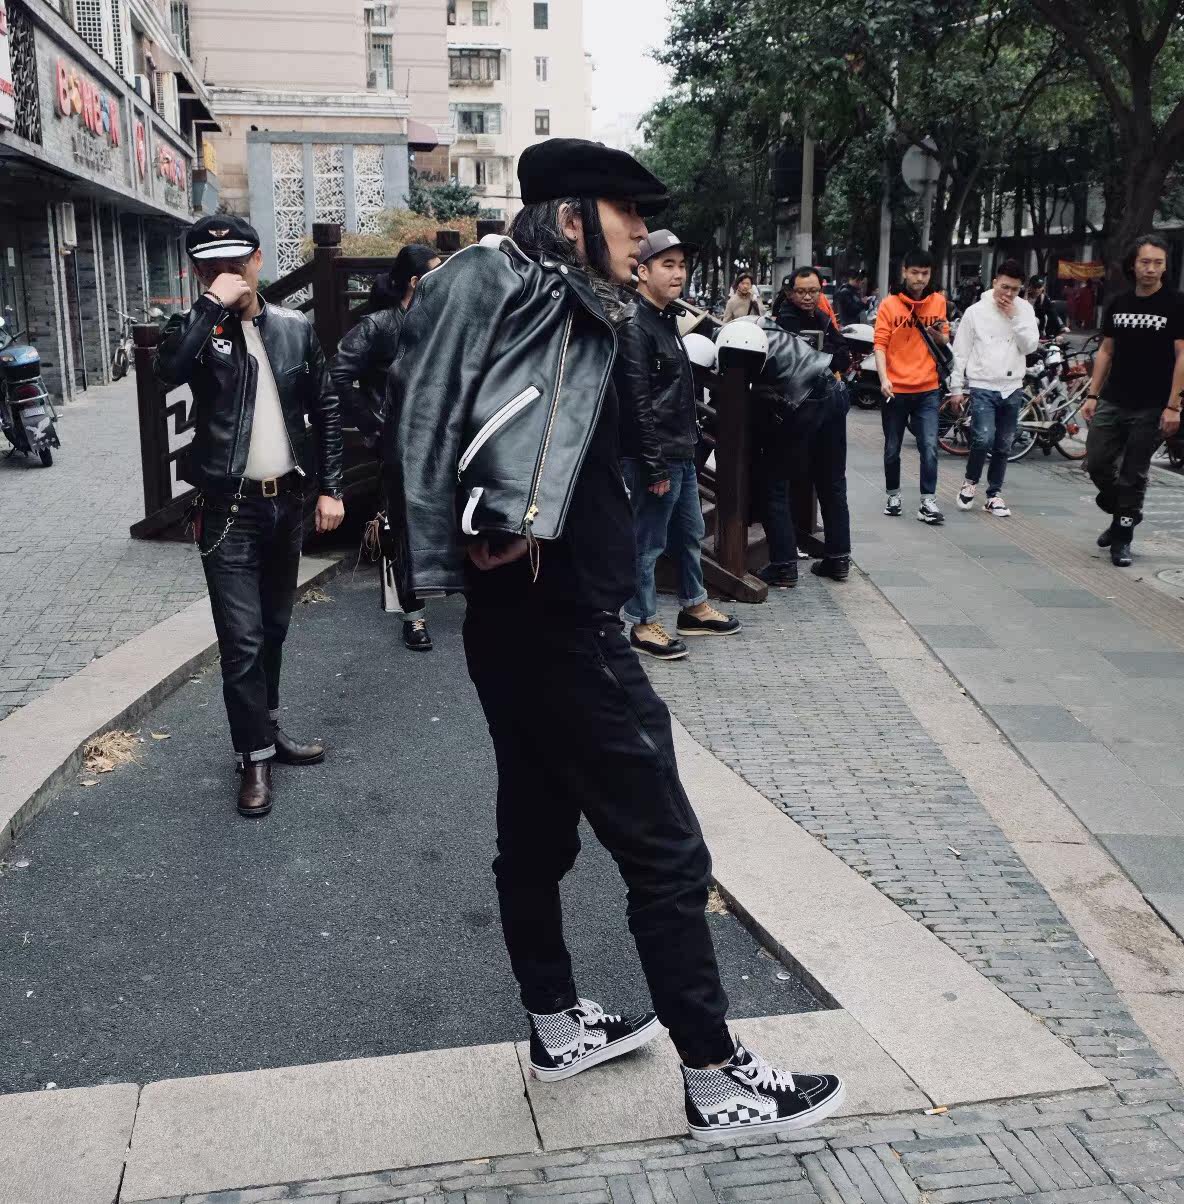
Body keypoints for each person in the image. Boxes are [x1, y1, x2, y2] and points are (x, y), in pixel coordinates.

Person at [386, 137, 845, 1142]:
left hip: (540, 617)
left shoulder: (583, 303)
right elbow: (421, 410)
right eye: (628, 217)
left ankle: (557, 1025)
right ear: (568, 218)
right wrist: (442, 554)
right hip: (558, 626)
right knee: (668, 854)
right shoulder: (491, 280)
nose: (643, 235)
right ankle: (717, 1078)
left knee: (538, 834)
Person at [154, 215, 344, 818]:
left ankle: (269, 730)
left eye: (235, 264)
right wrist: (211, 306)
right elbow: (168, 371)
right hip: (227, 511)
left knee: (275, 629)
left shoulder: (293, 327)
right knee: (242, 641)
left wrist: (331, 488)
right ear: (197, 275)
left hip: (286, 504)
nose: (227, 275)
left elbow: (327, 406)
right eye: (211, 269)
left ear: (258, 260)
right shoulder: (195, 331)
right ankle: (253, 758)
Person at [616, 228, 740, 660]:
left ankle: (694, 606)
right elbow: (636, 404)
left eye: (682, 265)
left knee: (689, 533)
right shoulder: (635, 325)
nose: (678, 273)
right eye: (667, 265)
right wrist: (652, 466)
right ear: (642, 271)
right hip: (654, 456)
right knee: (647, 542)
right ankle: (642, 621)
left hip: (680, 451)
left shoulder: (665, 318)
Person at [331, 244, 441, 651]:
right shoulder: (379, 325)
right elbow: (338, 373)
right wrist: (372, 422)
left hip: (442, 436)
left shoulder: (441, 320)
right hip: (397, 440)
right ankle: (413, 616)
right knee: (400, 525)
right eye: (434, 272)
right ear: (414, 281)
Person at [1083, 234, 1184, 567]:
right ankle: (1124, 513)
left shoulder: (1176, 304)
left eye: (1158, 263)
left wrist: (1174, 405)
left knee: (1133, 473)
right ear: (1133, 264)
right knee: (1097, 462)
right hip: (1114, 398)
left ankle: (1122, 537)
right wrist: (1093, 394)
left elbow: (1182, 356)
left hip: (1153, 404)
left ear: (1165, 267)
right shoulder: (1118, 303)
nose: (1151, 269)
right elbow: (1106, 351)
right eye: (1145, 262)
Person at [751, 319, 853, 587]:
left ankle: (783, 566)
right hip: (832, 388)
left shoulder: (736, 340)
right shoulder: (769, 327)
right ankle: (839, 559)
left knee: (773, 482)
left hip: (803, 399)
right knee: (832, 481)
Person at [947, 260, 1039, 518]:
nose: (1008, 294)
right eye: (1005, 287)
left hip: (1012, 386)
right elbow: (961, 352)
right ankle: (970, 481)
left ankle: (994, 494)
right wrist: (956, 387)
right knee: (982, 438)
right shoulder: (975, 312)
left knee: (1005, 443)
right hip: (983, 384)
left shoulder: (1024, 310)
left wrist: (1015, 318)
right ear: (995, 282)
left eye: (1015, 289)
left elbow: (1030, 346)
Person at [874, 249, 952, 524]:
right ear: (904, 272)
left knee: (929, 446)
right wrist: (884, 378)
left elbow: (944, 340)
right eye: (915, 272)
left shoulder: (938, 301)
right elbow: (880, 345)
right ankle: (893, 496)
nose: (920, 278)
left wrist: (937, 334)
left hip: (928, 389)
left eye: (925, 273)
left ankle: (928, 501)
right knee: (892, 448)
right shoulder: (889, 305)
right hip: (895, 389)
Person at [774, 266, 851, 375]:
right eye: (800, 292)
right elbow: (806, 361)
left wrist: (827, 353)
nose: (807, 297)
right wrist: (829, 351)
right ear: (791, 293)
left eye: (813, 291)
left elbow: (843, 352)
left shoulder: (822, 317)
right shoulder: (785, 320)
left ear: (820, 292)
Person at [1027, 276, 1065, 340]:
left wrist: (1061, 326)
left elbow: (1053, 313)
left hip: (1037, 330)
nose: (1037, 290)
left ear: (1043, 287)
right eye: (1035, 287)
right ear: (1030, 286)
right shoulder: (1022, 295)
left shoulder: (1044, 299)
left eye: (1039, 287)